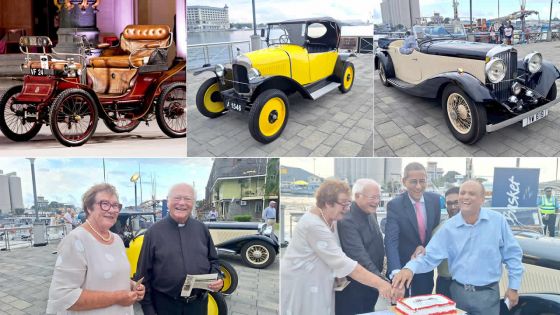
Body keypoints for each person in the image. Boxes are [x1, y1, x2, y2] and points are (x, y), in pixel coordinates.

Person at [393, 180, 524, 315]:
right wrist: (409, 268)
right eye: (463, 193)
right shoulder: (448, 228)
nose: (465, 197)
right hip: (458, 294)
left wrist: (513, 287)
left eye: (471, 194)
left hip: (488, 296)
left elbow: (512, 255)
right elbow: (430, 256)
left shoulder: (497, 221)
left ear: (482, 199)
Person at [281, 179, 401, 315]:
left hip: (325, 283)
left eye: (348, 203)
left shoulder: (332, 218)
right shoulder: (313, 226)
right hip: (304, 285)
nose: (348, 208)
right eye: (343, 204)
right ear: (327, 203)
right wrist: (382, 284)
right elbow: (346, 264)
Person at [46, 183, 145, 314]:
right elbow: (63, 296)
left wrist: (132, 285)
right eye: (105, 204)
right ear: (89, 208)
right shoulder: (76, 240)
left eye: (116, 205)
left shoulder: (117, 240)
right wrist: (117, 298)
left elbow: (112, 275)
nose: (112, 210)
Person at [136, 183, 223, 315]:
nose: (182, 203)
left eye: (187, 199)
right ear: (168, 200)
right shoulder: (153, 232)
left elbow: (214, 260)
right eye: (177, 198)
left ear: (193, 203)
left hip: (198, 306)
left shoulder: (202, 229)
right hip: (165, 306)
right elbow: (143, 275)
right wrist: (148, 310)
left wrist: (218, 278)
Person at [384, 162, 441, 296]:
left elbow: (433, 232)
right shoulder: (395, 205)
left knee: (423, 303)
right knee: (402, 307)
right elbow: (391, 241)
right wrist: (396, 272)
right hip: (402, 265)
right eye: (413, 182)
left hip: (424, 267)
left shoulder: (435, 200)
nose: (418, 186)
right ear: (404, 182)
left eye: (422, 181)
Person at [335, 179, 387, 315]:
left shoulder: (371, 212)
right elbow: (359, 256)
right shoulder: (347, 220)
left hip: (372, 283)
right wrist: (382, 282)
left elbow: (377, 243)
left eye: (378, 197)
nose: (376, 202)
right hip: (355, 287)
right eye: (373, 197)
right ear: (357, 196)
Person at [412, 187, 460, 299]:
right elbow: (428, 256)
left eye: (456, 202)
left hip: (468, 286)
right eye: (449, 203)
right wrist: (409, 269)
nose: (453, 207)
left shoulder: (478, 228)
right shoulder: (439, 230)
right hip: (445, 284)